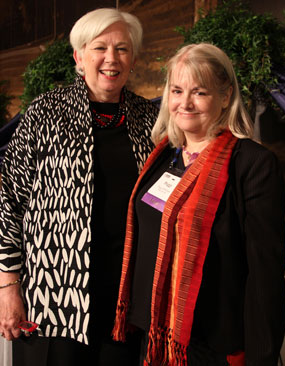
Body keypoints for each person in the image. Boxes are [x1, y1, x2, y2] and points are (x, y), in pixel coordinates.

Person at [0, 8, 158, 366]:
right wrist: (7, 287)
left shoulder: (149, 119)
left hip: (124, 300)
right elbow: (8, 201)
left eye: (122, 48)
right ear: (79, 56)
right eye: (100, 47)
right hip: (52, 300)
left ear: (133, 58)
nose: (111, 58)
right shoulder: (45, 112)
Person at [112, 43, 285, 366]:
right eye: (177, 91)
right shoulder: (162, 156)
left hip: (215, 344)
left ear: (225, 96)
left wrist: (261, 356)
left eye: (200, 92)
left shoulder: (252, 164)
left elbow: (265, 274)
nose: (185, 103)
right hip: (156, 337)